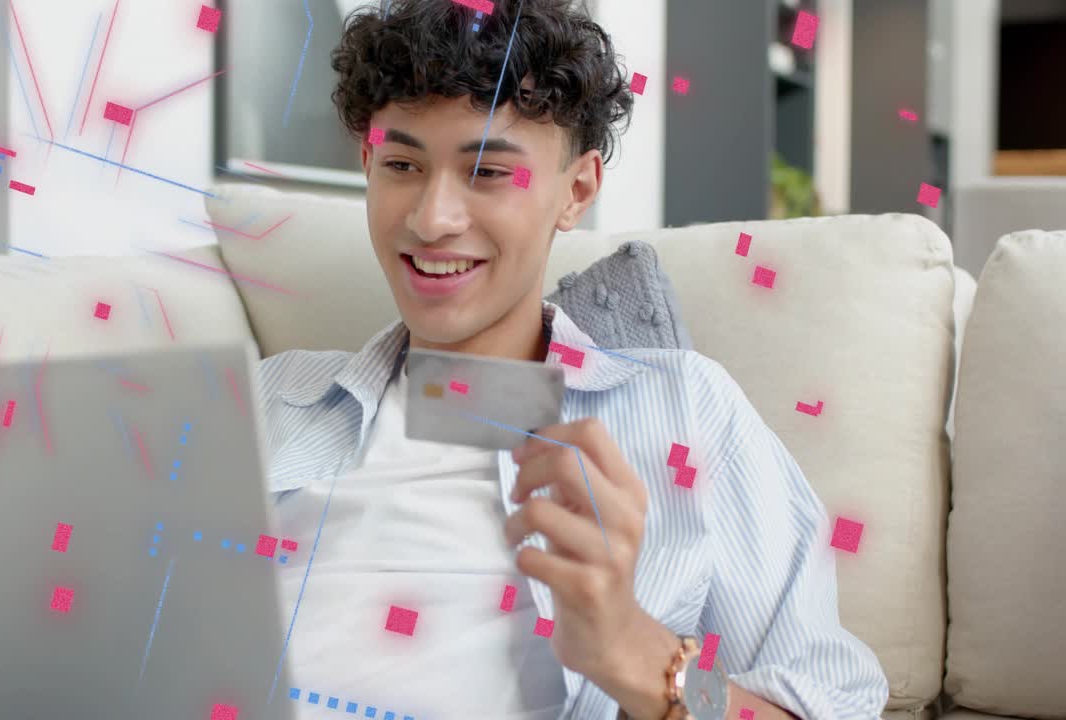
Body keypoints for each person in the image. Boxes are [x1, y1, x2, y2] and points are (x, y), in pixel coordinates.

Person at [256, 1, 890, 717]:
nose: (432, 220)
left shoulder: (686, 410)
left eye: (488, 172)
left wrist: (640, 655)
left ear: (577, 190)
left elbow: (830, 708)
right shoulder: (271, 398)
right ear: (369, 165)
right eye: (403, 165)